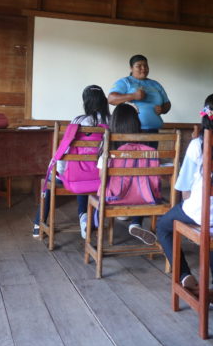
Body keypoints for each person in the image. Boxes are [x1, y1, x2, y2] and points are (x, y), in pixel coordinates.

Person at [156, 92, 213, 310]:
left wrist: (192, 214)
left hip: (203, 210)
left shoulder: (197, 144)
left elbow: (183, 188)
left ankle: (184, 276)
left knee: (164, 227)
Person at [33, 85, 110, 239]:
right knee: (87, 175)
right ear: (103, 101)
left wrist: (56, 171)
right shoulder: (112, 122)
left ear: (86, 102)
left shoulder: (78, 121)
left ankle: (38, 224)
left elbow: (65, 150)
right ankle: (84, 218)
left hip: (79, 175)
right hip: (103, 177)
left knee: (51, 180)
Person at [105, 103, 158, 245]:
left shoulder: (108, 145)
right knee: (141, 188)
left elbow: (101, 176)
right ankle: (135, 224)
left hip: (113, 196)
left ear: (113, 122)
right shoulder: (145, 147)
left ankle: (100, 220)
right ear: (136, 123)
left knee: (107, 188)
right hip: (142, 197)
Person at [108, 54, 171, 133]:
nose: (143, 68)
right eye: (139, 66)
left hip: (154, 131)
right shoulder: (125, 82)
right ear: (131, 68)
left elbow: (167, 104)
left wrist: (162, 109)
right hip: (131, 130)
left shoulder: (155, 84)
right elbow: (111, 99)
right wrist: (133, 96)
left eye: (145, 65)